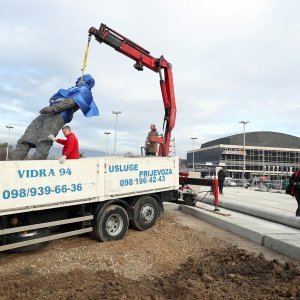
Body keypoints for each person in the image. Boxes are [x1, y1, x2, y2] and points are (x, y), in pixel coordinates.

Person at [10, 74, 99, 160]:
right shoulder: (73, 88)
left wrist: (52, 108)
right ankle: (11, 163)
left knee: (44, 140)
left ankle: (35, 166)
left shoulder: (85, 90)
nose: (78, 80)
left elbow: (71, 102)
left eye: (81, 78)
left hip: (59, 114)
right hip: (47, 113)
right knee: (27, 137)